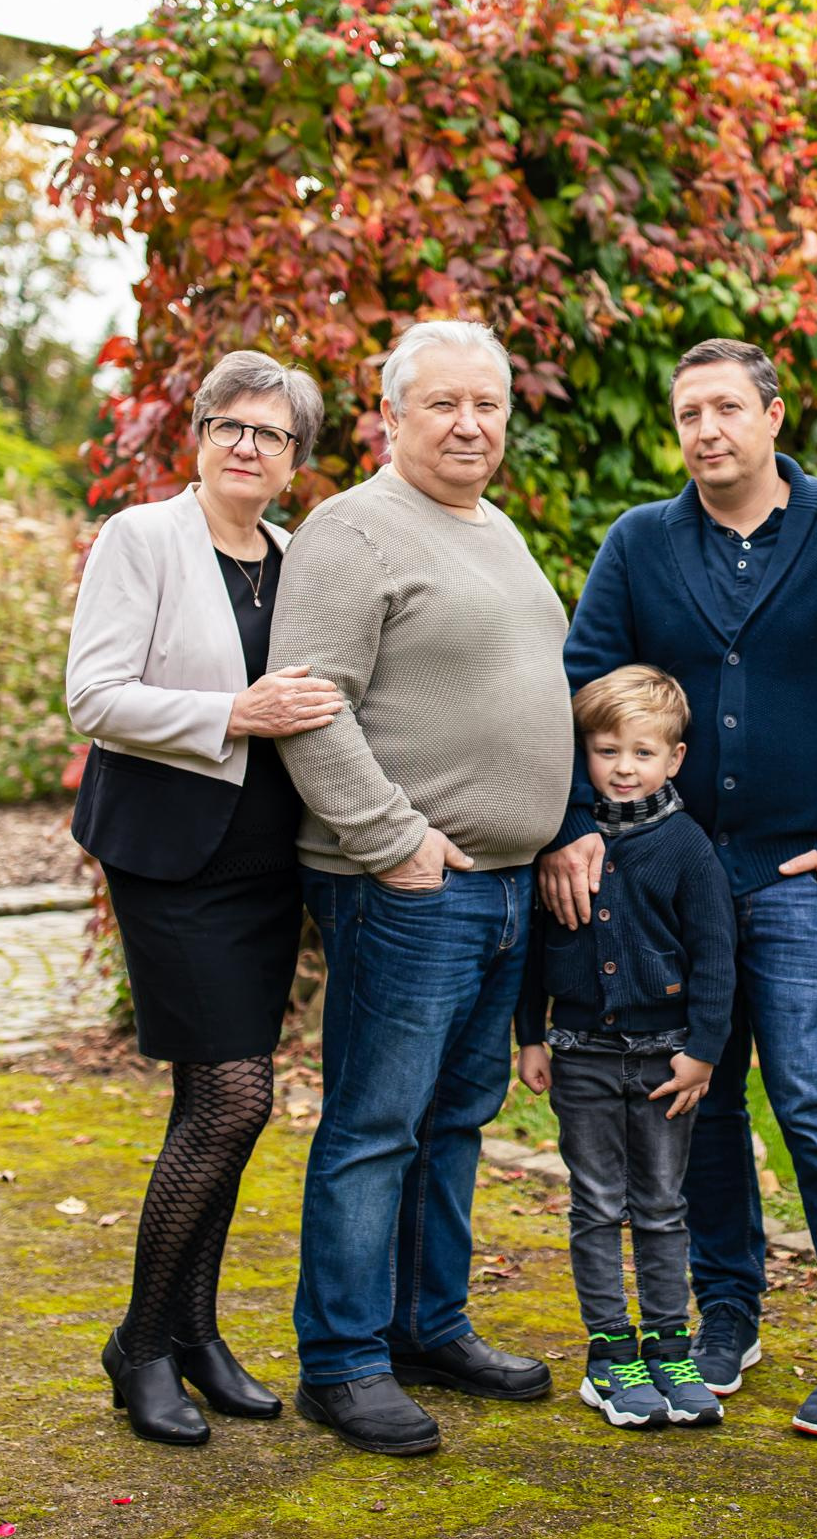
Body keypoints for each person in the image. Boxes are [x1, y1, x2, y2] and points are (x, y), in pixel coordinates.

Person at [538, 339, 817, 1438]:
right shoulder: (642, 541)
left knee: (814, 1093)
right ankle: (727, 1310)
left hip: (804, 869)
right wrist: (577, 820)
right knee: (690, 1097)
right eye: (688, 413)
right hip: (666, 874)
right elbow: (581, 681)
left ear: (771, 413)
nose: (707, 428)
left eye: (726, 407)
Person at [267, 320, 576, 1457]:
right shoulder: (351, 530)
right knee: (374, 1123)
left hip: (497, 887)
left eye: (487, 404)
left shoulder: (492, 527)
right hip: (401, 883)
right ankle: (342, 1360)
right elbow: (309, 698)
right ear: (390, 416)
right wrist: (392, 839)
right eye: (442, 403)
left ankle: (426, 1324)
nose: (469, 423)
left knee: (455, 1121)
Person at [64, 351, 345, 1446]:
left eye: (270, 433)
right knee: (234, 1101)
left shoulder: (294, 558)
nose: (246, 444)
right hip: (172, 857)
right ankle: (140, 1342)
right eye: (229, 422)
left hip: (266, 861)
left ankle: (196, 1333)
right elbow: (93, 693)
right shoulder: (143, 538)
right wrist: (233, 711)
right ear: (198, 432)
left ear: (295, 460)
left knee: (211, 1106)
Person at [514, 666, 736, 1431]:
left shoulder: (687, 848)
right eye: (606, 751)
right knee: (596, 1202)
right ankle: (611, 1354)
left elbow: (715, 957)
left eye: (642, 752)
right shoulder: (563, 847)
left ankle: (671, 1348)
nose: (623, 767)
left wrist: (703, 1050)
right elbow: (534, 950)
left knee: (663, 1207)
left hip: (665, 1060)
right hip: (579, 1053)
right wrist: (530, 1036)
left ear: (674, 759)